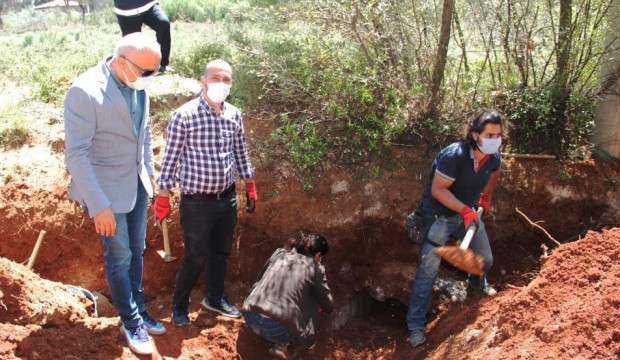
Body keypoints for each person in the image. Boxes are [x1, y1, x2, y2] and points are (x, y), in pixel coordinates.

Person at [64, 33, 165, 355]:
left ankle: (136, 306)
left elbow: (144, 135)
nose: (150, 78)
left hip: (135, 184)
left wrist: (149, 175)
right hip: (105, 192)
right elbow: (76, 155)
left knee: (137, 250)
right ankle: (130, 320)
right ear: (122, 62)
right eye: (146, 71)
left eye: (155, 72)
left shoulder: (138, 85)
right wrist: (99, 206)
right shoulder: (85, 91)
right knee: (119, 257)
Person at [153, 59, 257, 326]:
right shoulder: (184, 116)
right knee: (195, 256)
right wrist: (163, 194)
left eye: (226, 80)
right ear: (203, 80)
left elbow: (240, 151)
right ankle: (179, 305)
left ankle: (214, 298)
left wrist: (250, 183)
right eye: (215, 78)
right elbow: (171, 159)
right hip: (197, 203)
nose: (220, 84)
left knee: (221, 253)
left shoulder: (233, 114)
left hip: (227, 198)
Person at [406, 110, 503, 347]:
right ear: (474, 134)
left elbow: (494, 174)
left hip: (467, 213)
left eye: (498, 135)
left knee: (485, 260)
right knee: (428, 270)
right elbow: (438, 190)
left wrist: (485, 198)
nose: (495, 139)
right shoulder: (455, 156)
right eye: (490, 135)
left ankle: (476, 287)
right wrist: (465, 211)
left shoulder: (493, 157)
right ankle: (416, 326)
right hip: (439, 216)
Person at [242, 233, 334, 359]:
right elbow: (328, 305)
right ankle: (298, 343)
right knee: (315, 298)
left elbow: (259, 278)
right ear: (318, 255)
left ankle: (277, 342)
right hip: (277, 330)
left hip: (250, 316)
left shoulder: (280, 254)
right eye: (321, 257)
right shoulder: (315, 268)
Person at [113, 0, 172, 73]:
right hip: (127, 12)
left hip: (149, 5)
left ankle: (163, 65)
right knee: (132, 46)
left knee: (163, 24)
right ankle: (135, 70)